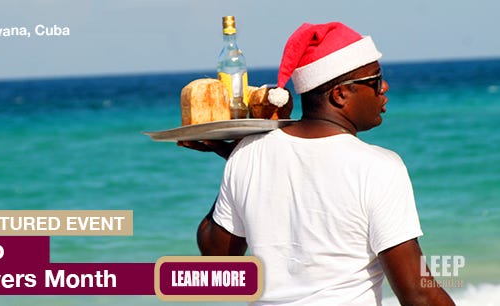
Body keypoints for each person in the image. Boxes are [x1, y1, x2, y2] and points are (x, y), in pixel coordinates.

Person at [180, 22, 455, 305]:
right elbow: (419, 294)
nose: (383, 87)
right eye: (375, 79)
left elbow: (216, 256)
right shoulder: (379, 167)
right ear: (340, 94)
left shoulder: (248, 152)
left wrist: (238, 158)